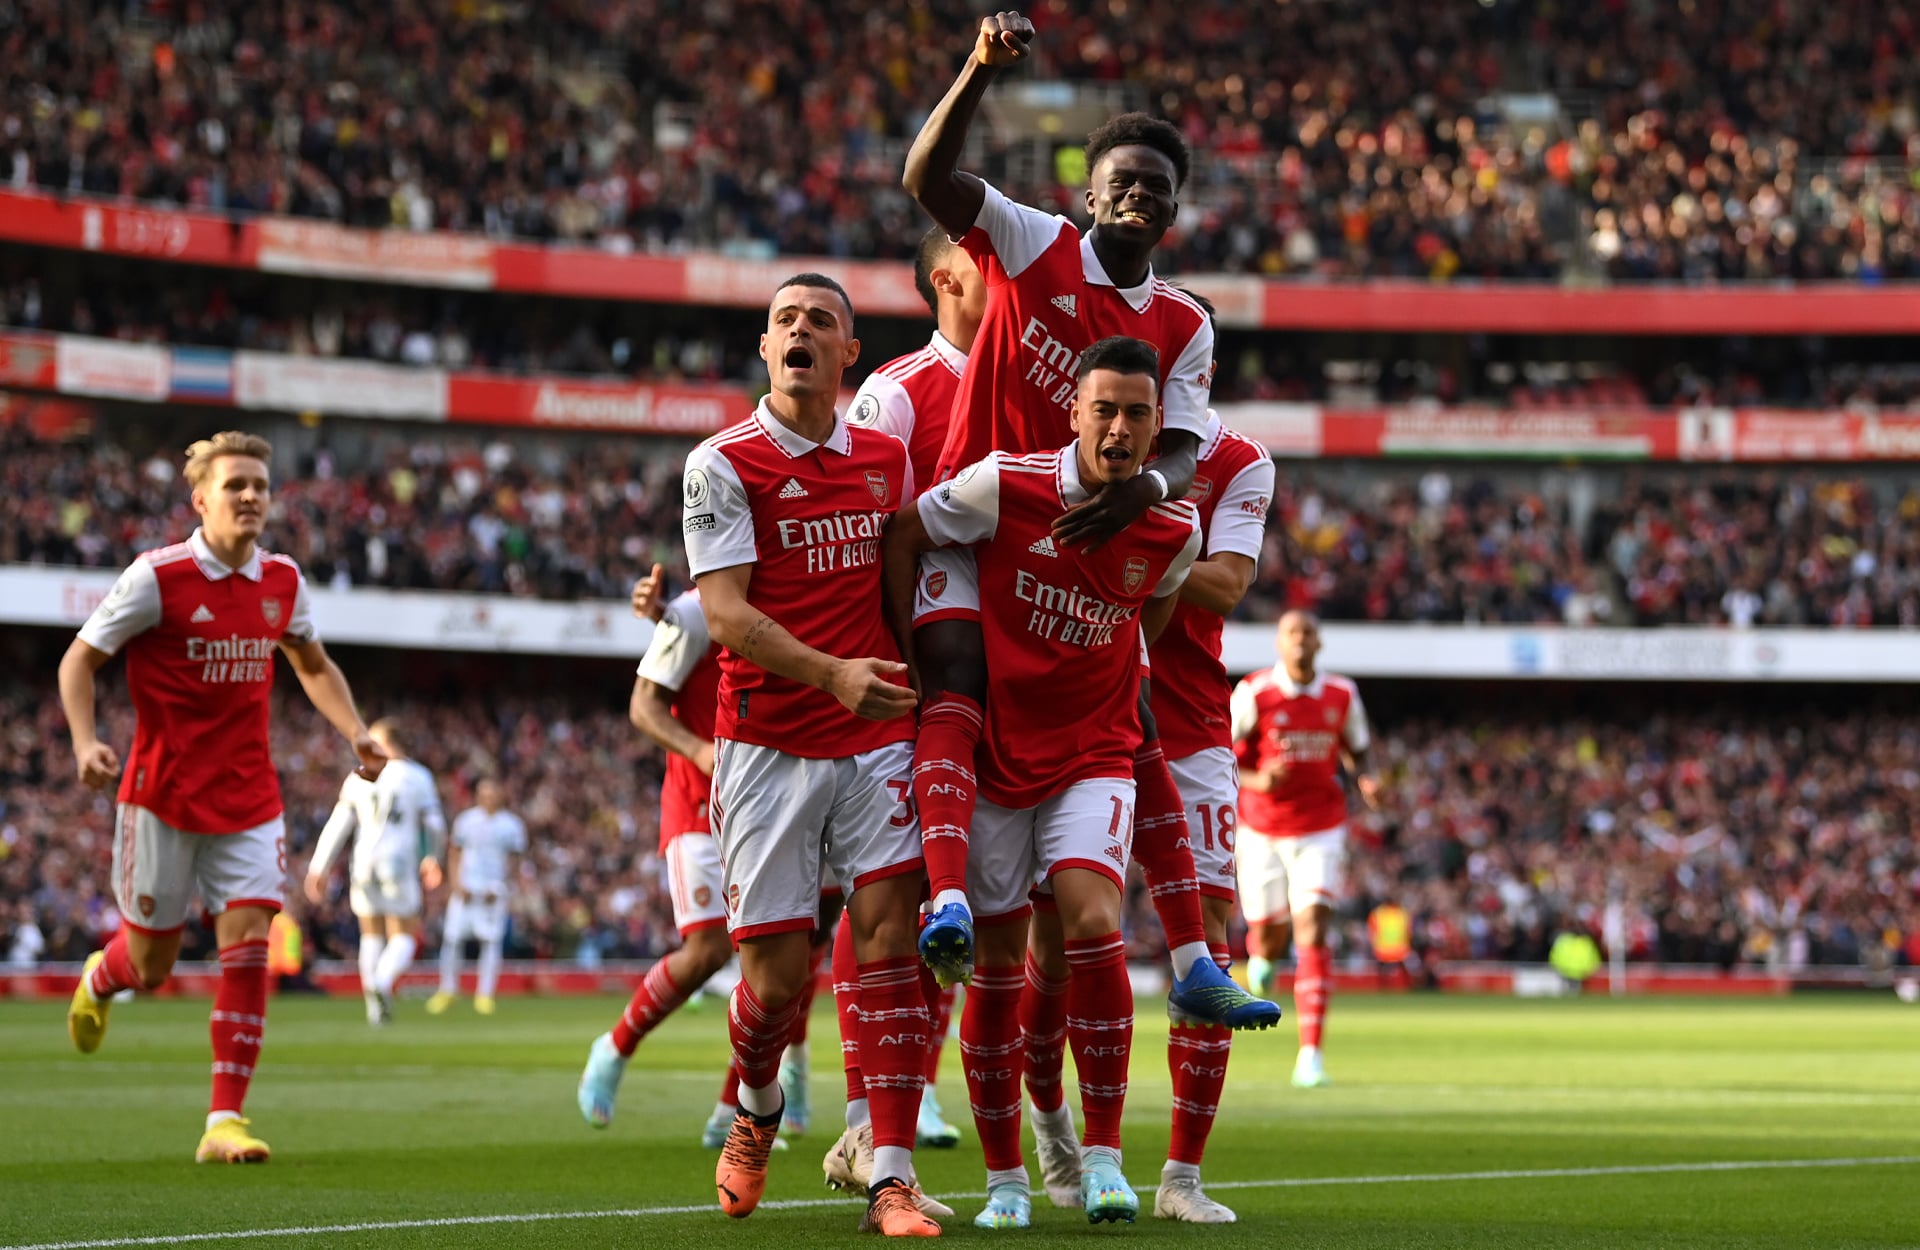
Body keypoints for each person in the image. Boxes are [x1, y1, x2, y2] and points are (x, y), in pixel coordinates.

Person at [900, 11, 1273, 1039]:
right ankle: (943, 901)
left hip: (1075, 555)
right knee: (954, 679)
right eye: (1124, 180)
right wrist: (979, 69)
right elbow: (927, 179)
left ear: (1175, 210)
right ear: (1092, 193)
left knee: (1132, 716)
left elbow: (1186, 446)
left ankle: (1192, 959)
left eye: (1158, 185)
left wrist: (1147, 490)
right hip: (981, 517)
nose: (1140, 194)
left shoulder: (1185, 321)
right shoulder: (1036, 242)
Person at [880, 336, 1202, 1228]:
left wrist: (1105, 671)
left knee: (1093, 920)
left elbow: (1155, 604)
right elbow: (906, 531)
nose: (1119, 429)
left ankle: (1104, 1160)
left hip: (1091, 754)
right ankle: (1005, 1182)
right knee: (994, 967)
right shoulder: (1005, 484)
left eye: (1137, 414)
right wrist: (909, 657)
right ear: (1074, 413)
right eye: (1104, 410)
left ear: (1156, 428)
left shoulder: (1175, 527)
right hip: (994, 754)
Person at [681, 272, 938, 1236]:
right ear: (766, 348)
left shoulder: (885, 458)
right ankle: (757, 1107)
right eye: (785, 319)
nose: (801, 330)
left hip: (875, 738)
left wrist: (925, 689)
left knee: (892, 945)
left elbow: (904, 580)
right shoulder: (721, 463)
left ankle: (890, 1175)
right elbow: (724, 614)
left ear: (847, 353)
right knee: (775, 987)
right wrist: (833, 674)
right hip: (767, 743)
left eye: (820, 321)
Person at [1012, 297, 1276, 1219]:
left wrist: (1132, 542)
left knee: (1212, 934)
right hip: (1076, 709)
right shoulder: (1087, 444)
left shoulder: (1239, 462)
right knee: (1056, 938)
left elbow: (1229, 582)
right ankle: (1051, 1120)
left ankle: (1181, 1179)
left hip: (1189, 717)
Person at [59, 430, 387, 1164]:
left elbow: (312, 663)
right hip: (161, 798)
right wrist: (84, 743)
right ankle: (101, 976)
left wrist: (355, 731)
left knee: (247, 950)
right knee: (151, 967)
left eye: (260, 486)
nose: (249, 496)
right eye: (235, 484)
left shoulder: (283, 581)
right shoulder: (157, 577)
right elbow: (78, 661)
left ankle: (224, 1121)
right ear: (200, 498)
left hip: (249, 798)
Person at [578, 569, 834, 1150]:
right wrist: (698, 750)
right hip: (700, 803)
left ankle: (733, 1109)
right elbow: (644, 706)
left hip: (783, 800)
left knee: (789, 956)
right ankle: (615, 1047)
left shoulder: (809, 591)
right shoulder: (693, 612)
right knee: (709, 951)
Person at [838, 224, 990, 1159]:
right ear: (945, 279)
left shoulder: (1034, 380)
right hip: (916, 667)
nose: (1007, 277)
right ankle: (865, 1106)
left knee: (969, 896)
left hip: (1014, 658)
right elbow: (863, 524)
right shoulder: (896, 391)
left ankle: (916, 1094)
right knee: (889, 887)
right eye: (986, 264)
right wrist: (883, 652)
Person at [1233, 611, 1383, 1089]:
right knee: (1269, 938)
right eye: (1292, 633)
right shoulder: (1255, 692)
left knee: (1313, 926)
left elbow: (1359, 749)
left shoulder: (1342, 693)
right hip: (1262, 829)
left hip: (1322, 827)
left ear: (1319, 643)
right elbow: (1219, 754)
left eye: (1308, 633)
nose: (1300, 640)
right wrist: (1258, 779)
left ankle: (1310, 1054)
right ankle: (1262, 958)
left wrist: (1366, 778)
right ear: (1279, 643)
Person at [303, 718, 445, 1026]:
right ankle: (381, 983)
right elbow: (434, 823)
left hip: (363, 862)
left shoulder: (360, 774)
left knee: (371, 933)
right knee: (404, 933)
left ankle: (375, 1008)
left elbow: (339, 823)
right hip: (399, 861)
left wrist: (319, 867)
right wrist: (433, 857)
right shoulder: (418, 776)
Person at [428, 778, 526, 1015]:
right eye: (484, 794)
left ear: (500, 795)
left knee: (490, 941)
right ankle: (448, 990)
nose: (488, 798)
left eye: (492, 793)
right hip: (466, 887)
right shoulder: (466, 821)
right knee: (452, 939)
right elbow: (454, 852)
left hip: (493, 890)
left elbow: (516, 860)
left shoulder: (512, 825)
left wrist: (503, 886)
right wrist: (456, 883)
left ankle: (485, 994)